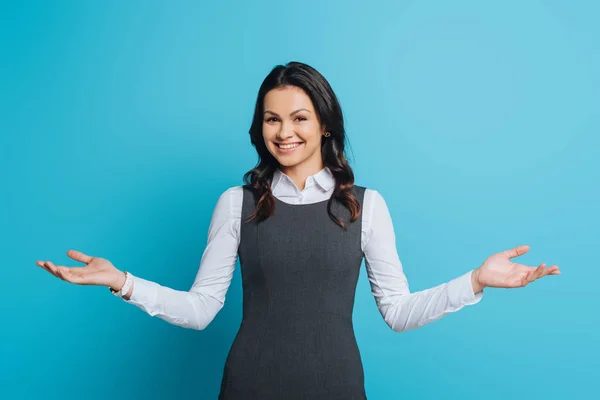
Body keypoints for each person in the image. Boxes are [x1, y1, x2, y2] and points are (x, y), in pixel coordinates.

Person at [35, 61, 560, 399]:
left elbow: (397, 313)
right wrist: (120, 281)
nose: (284, 132)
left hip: (337, 387)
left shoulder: (365, 207)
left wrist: (475, 281)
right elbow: (201, 309)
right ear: (259, 127)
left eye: (299, 118)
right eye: (271, 119)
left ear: (325, 123)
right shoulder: (235, 204)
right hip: (249, 386)